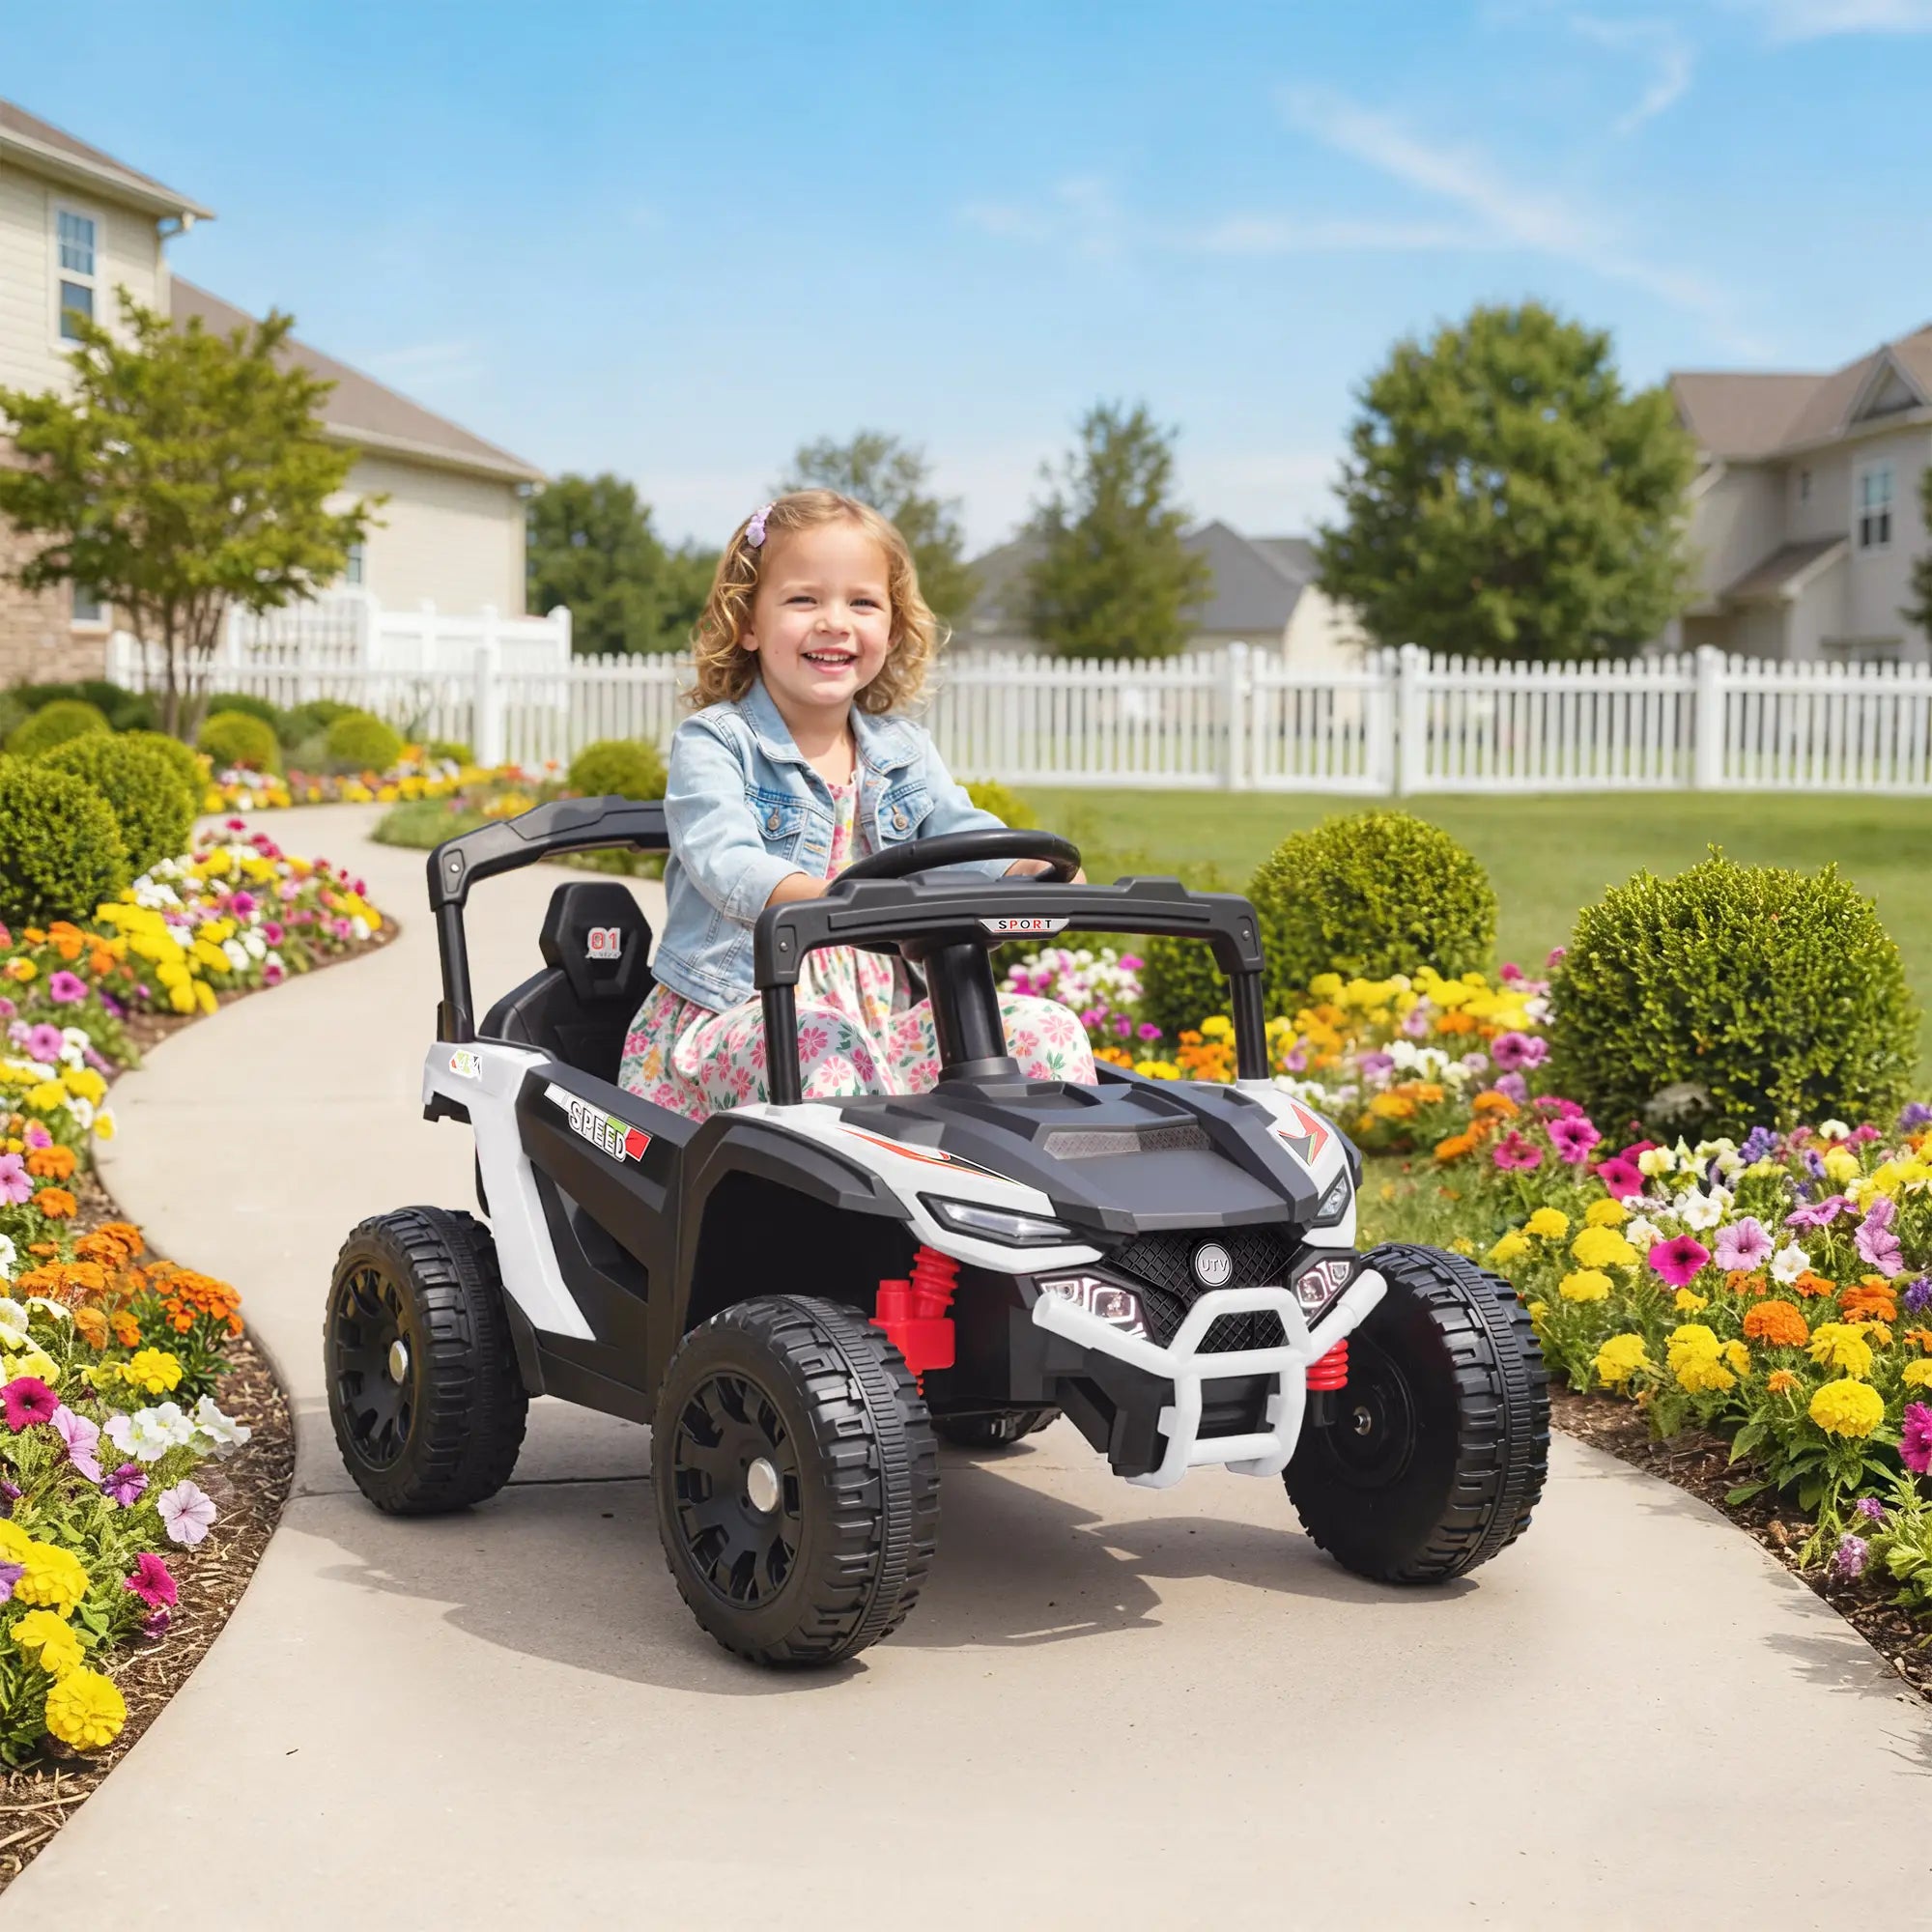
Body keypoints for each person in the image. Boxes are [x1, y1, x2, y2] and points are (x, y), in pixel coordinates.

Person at [619, 489, 1095, 1118]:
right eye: (803, 599)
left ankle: (1038, 1206)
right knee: (825, 1047)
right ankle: (846, 1218)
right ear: (748, 623)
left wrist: (1029, 872)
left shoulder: (904, 750)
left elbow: (961, 834)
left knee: (1044, 1029)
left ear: (892, 629)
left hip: (878, 1023)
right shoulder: (716, 741)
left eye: (862, 603)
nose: (835, 621)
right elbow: (725, 861)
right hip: (738, 1014)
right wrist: (830, 902)